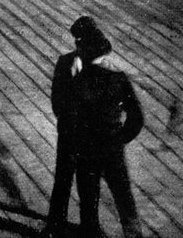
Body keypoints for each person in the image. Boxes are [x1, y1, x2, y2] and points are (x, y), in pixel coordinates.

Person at [70, 24, 144, 238]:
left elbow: (70, 116)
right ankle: (133, 233)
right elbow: (136, 118)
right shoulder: (118, 79)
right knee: (123, 194)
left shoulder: (78, 81)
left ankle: (91, 232)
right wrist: (120, 138)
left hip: (87, 149)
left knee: (88, 195)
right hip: (112, 146)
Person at [40, 15, 99, 238]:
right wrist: (66, 121)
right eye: (78, 41)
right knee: (64, 180)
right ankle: (57, 224)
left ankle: (89, 227)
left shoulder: (100, 67)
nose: (80, 44)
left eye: (83, 40)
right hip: (71, 132)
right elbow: (56, 98)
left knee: (88, 182)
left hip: (88, 134)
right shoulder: (65, 62)